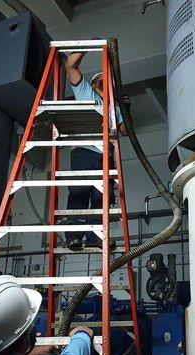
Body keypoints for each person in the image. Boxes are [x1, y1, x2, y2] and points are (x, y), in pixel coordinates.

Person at [62, 46, 127, 249]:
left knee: (102, 197)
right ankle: (74, 236)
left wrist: (126, 109)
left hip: (105, 155)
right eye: (101, 81)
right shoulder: (85, 93)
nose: (104, 84)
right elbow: (70, 65)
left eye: (108, 82)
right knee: (80, 191)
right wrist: (88, 46)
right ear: (93, 83)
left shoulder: (115, 109)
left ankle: (95, 236)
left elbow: (124, 130)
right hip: (84, 151)